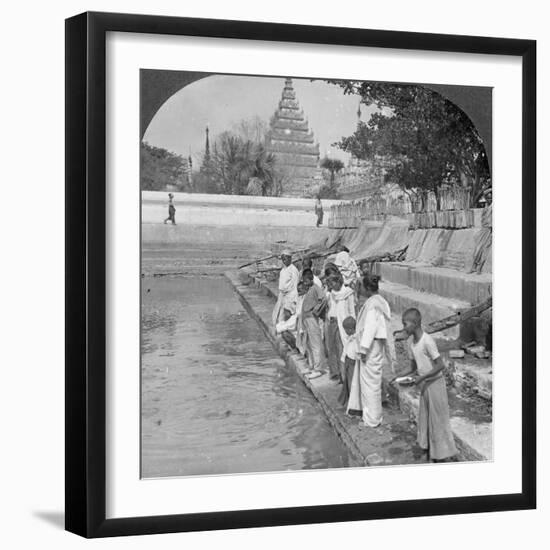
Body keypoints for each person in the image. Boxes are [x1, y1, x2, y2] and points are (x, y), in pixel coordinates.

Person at [393, 308, 457, 462]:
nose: (403, 327)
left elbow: (440, 365)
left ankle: (442, 455)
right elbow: (413, 368)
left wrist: (422, 378)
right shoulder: (413, 344)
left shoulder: (427, 341)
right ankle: (428, 449)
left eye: (405, 324)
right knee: (426, 418)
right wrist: (398, 376)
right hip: (425, 386)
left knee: (438, 420)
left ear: (415, 323)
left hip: (435, 385)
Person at [347, 274, 396, 427]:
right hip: (374, 346)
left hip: (371, 347)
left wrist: (363, 349)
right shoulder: (379, 302)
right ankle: (370, 416)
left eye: (361, 286)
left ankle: (372, 419)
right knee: (370, 382)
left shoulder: (373, 305)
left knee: (370, 384)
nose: (360, 289)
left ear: (367, 288)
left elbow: (370, 329)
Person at [327, 274, 356, 383]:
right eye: (330, 284)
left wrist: (352, 326)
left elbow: (351, 310)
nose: (331, 285)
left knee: (342, 348)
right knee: (332, 348)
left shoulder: (348, 293)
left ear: (339, 282)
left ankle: (344, 376)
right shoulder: (332, 294)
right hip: (333, 322)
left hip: (344, 324)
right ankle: (337, 373)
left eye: (333, 283)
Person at [300, 269, 328, 379]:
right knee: (308, 343)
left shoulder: (316, 288)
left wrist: (316, 311)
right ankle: (311, 365)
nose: (305, 282)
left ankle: (318, 368)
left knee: (315, 344)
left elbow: (323, 299)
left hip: (311, 318)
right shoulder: (309, 289)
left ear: (310, 279)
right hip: (306, 319)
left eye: (306, 280)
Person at [338, 317, 361, 413]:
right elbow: (344, 354)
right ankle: (351, 405)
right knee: (348, 386)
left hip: (353, 364)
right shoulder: (349, 339)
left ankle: (356, 407)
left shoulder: (357, 339)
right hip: (348, 362)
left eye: (346, 330)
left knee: (353, 386)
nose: (345, 332)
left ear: (351, 329)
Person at [272, 250, 299, 326]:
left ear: (290, 259)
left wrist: (294, 298)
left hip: (290, 295)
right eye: (282, 259)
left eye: (285, 259)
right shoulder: (283, 270)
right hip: (282, 295)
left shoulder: (293, 270)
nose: (284, 261)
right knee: (278, 314)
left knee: (287, 314)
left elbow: (295, 284)